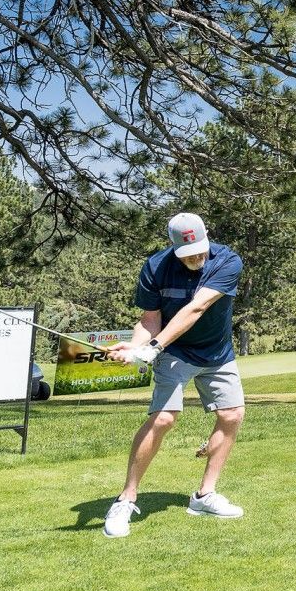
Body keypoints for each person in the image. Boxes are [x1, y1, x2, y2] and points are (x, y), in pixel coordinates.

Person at [101, 212, 247, 538]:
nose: (195, 257)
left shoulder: (227, 261)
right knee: (164, 418)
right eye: (187, 253)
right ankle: (125, 499)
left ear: (207, 235)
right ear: (173, 246)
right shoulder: (156, 267)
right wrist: (137, 348)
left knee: (232, 414)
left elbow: (196, 308)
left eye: (199, 250)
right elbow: (150, 319)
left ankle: (204, 496)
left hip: (216, 353)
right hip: (174, 352)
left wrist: (151, 347)